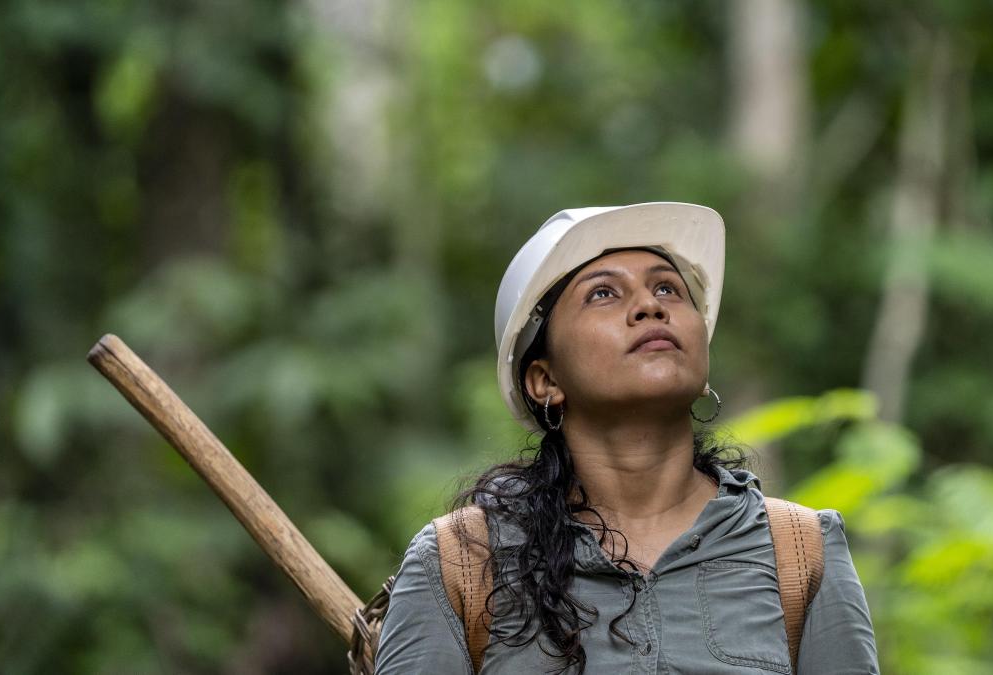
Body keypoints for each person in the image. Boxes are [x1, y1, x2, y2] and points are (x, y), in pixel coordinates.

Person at [375, 203, 879, 674]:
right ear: (544, 380)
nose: (649, 307)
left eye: (667, 290)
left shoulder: (801, 551)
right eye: (603, 293)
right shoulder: (461, 561)